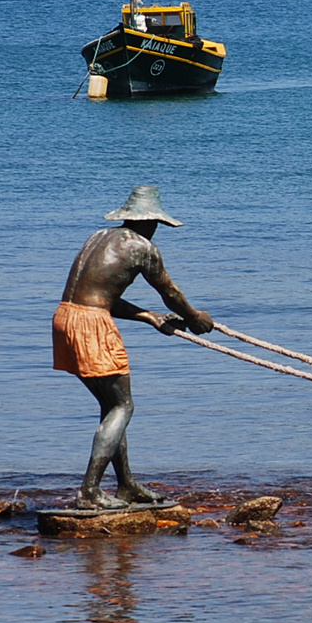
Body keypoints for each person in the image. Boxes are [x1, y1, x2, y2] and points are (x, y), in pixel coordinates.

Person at [53, 186, 213, 509]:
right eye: (155, 224)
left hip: (65, 318)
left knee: (111, 406)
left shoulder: (99, 237)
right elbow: (169, 291)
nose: (155, 230)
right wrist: (195, 318)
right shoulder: (143, 247)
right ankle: (89, 491)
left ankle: (126, 485)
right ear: (149, 222)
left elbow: (101, 298)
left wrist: (150, 318)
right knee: (123, 407)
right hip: (91, 324)